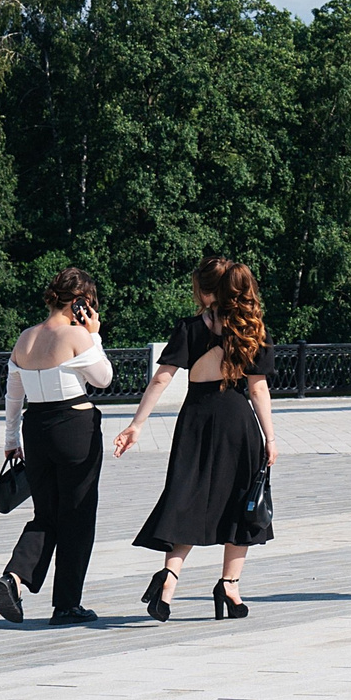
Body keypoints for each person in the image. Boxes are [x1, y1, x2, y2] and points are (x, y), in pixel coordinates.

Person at [113, 257, 278, 623]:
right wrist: (270, 437)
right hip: (238, 423)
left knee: (189, 497)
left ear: (205, 290)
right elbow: (258, 387)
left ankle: (168, 580)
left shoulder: (189, 328)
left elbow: (161, 379)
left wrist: (136, 425)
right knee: (243, 503)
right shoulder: (251, 329)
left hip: (196, 421)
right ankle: (229, 586)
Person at [0, 266, 113, 626]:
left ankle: (13, 577)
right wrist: (95, 335)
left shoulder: (25, 338)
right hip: (75, 427)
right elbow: (103, 379)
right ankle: (67, 606)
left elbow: (14, 396)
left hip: (36, 428)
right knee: (77, 515)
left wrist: (11, 440)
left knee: (46, 513)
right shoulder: (77, 335)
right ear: (79, 302)